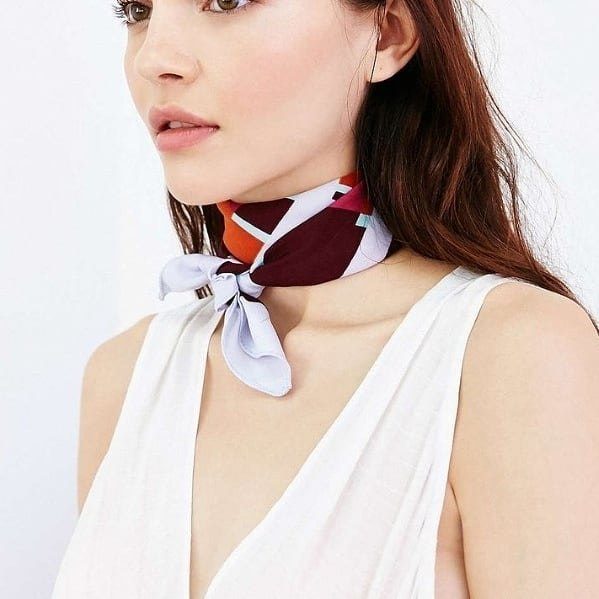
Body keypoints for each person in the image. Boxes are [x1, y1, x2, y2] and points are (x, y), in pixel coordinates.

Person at [51, 0, 599, 597]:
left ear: (387, 35)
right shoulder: (126, 377)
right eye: (136, 9)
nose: (154, 57)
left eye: (228, 1)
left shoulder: (513, 356)